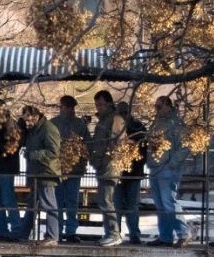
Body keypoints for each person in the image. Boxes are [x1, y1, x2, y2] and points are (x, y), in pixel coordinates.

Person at [146, 96, 191, 247]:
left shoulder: (176, 124)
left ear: (167, 106)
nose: (156, 110)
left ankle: (183, 233)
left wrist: (172, 164)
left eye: (159, 107)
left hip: (167, 168)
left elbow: (185, 146)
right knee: (160, 204)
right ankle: (165, 236)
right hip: (155, 167)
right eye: (155, 107)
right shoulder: (156, 123)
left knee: (168, 202)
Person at [16, 105, 61, 245]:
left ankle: (52, 236)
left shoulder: (47, 129)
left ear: (36, 116)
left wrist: (33, 154)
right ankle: (23, 234)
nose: (27, 123)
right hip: (36, 173)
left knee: (49, 204)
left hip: (46, 172)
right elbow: (22, 141)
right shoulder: (33, 130)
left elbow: (54, 152)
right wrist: (21, 127)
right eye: (25, 120)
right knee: (32, 205)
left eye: (28, 119)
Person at [88, 90, 127, 247]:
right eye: (97, 105)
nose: (98, 108)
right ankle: (109, 232)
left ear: (109, 103)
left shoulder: (115, 119)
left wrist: (105, 159)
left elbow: (118, 144)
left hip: (110, 165)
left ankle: (113, 233)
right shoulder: (102, 121)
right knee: (103, 200)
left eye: (101, 104)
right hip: (102, 165)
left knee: (106, 199)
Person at [51, 95, 92, 243]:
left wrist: (82, 161)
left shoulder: (79, 124)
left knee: (71, 202)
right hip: (58, 170)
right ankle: (57, 230)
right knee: (58, 202)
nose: (70, 110)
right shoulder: (53, 124)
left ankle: (70, 232)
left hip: (74, 170)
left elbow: (87, 144)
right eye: (67, 107)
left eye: (72, 107)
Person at [0, 100, 21, 242]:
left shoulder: (10, 125)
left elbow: (12, 147)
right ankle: (2, 230)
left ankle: (16, 230)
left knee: (7, 199)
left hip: (5, 167)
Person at [114, 101, 147, 245]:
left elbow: (143, 151)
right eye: (121, 113)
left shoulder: (138, 127)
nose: (123, 115)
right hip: (121, 172)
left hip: (131, 173)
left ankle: (132, 234)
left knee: (130, 206)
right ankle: (118, 234)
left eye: (124, 112)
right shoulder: (136, 127)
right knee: (119, 206)